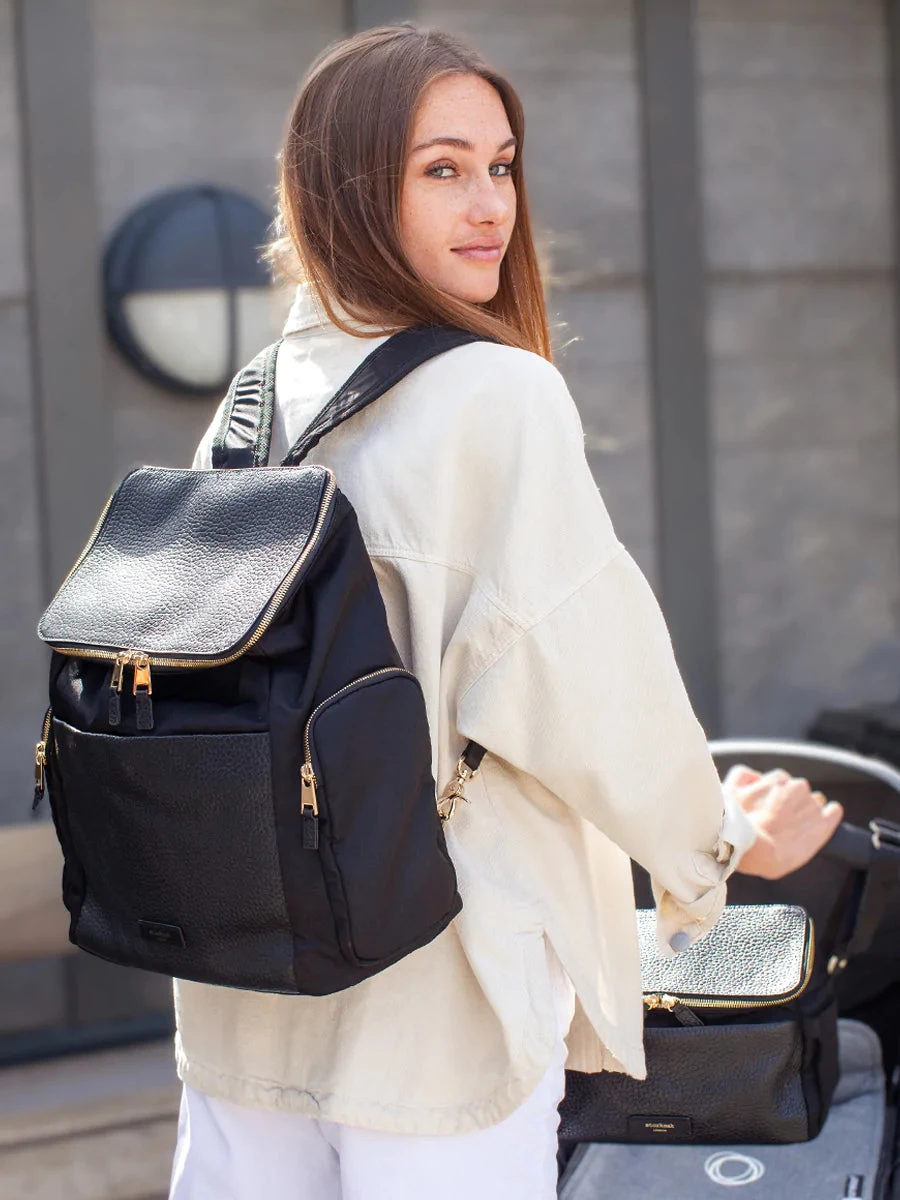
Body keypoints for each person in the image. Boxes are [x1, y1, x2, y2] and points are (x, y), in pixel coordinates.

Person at [169, 24, 844, 1200]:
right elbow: (591, 690)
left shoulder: (256, 398)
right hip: (437, 998)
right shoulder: (496, 394)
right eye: (442, 169)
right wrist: (724, 844)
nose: (491, 204)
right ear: (344, 187)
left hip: (245, 994)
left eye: (501, 164)